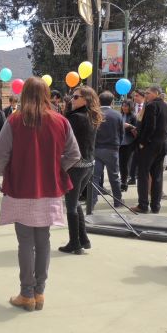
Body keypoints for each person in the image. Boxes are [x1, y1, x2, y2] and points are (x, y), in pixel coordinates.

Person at [0, 77, 80, 311]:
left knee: (25, 242)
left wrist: (10, 171)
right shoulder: (61, 121)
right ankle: (39, 293)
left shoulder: (14, 120)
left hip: (20, 188)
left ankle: (26, 294)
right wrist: (56, 168)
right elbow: (74, 154)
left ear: (24, 94)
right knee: (43, 241)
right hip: (49, 188)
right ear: (46, 94)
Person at [59, 86, 103, 254]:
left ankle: (75, 243)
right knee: (75, 202)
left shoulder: (75, 118)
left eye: (76, 97)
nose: (72, 99)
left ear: (86, 100)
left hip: (75, 166)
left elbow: (63, 139)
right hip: (89, 164)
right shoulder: (92, 116)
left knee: (71, 205)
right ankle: (83, 239)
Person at [132, 86, 167, 214]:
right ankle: (156, 205)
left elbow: (150, 126)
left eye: (148, 93)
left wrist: (142, 142)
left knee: (143, 174)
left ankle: (143, 205)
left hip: (150, 145)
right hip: (162, 144)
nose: (146, 95)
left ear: (156, 93)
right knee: (157, 175)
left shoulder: (151, 106)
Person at [92, 91, 124, 208]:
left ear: (99, 101)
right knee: (114, 177)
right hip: (112, 149)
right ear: (112, 101)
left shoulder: (94, 114)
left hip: (96, 149)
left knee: (95, 177)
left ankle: (92, 201)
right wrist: (118, 145)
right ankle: (117, 201)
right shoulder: (117, 115)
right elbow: (121, 133)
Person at [119, 99, 138, 192]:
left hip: (129, 143)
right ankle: (123, 180)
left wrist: (130, 126)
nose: (124, 107)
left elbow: (137, 130)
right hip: (120, 143)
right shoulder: (120, 115)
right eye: (123, 106)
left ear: (130, 107)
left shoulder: (133, 116)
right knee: (121, 163)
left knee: (125, 163)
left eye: (126, 106)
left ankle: (124, 183)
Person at [128, 89, 146, 185]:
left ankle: (138, 175)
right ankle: (132, 177)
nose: (134, 98)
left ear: (142, 97)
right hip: (131, 136)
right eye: (134, 96)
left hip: (142, 137)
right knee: (132, 158)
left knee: (140, 157)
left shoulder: (147, 107)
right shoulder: (131, 106)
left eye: (137, 96)